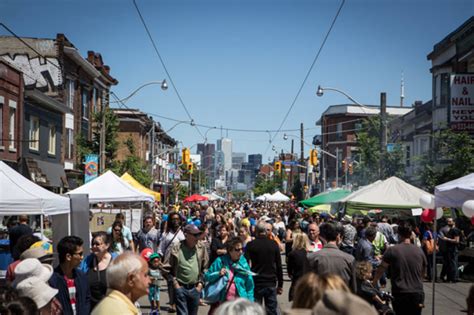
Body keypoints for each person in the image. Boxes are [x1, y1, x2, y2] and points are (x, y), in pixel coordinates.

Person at [373, 224, 427, 315]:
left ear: (398, 235)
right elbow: (423, 271)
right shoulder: (419, 250)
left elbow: (382, 268)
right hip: (417, 291)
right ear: (411, 235)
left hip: (400, 291)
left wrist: (374, 281)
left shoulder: (392, 250)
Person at [166, 224, 209, 315]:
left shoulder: (201, 248)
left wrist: (200, 285)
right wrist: (175, 284)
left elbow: (205, 268)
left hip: (195, 288)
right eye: (195, 235)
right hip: (181, 288)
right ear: (186, 235)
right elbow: (167, 268)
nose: (197, 237)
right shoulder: (176, 248)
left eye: (198, 234)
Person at [204, 236, 254, 314]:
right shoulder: (220, 261)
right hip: (222, 304)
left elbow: (250, 286)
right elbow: (207, 277)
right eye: (237, 250)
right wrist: (218, 274)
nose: (241, 252)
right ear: (230, 250)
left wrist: (250, 303)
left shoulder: (244, 263)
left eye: (242, 249)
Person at [245, 221, 283, 315]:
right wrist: (280, 284)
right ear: (266, 231)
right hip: (270, 281)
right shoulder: (274, 244)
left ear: (256, 231)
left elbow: (245, 264)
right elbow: (279, 265)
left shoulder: (251, 245)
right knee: (271, 310)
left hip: (256, 281)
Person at [307, 222, 357, 292]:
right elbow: (354, 289)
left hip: (318, 300)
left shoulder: (311, 257)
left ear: (321, 237)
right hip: (342, 300)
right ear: (338, 237)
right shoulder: (349, 259)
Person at [49, 236, 91, 315]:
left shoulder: (82, 277)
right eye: (80, 254)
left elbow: (87, 299)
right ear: (68, 257)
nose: (82, 257)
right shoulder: (52, 280)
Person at [79, 231, 117, 310]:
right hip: (91, 309)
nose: (94, 246)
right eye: (93, 244)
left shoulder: (116, 262)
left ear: (107, 245)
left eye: (97, 244)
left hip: (111, 309)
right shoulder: (87, 262)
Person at [159, 211, 185, 313]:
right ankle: (172, 303)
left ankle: (178, 302)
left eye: (177, 219)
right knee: (170, 282)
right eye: (173, 219)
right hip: (168, 262)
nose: (175, 221)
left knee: (178, 283)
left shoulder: (183, 233)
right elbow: (161, 249)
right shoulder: (166, 234)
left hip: (180, 262)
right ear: (170, 221)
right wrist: (159, 261)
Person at [287, 232, 309, 301]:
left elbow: (289, 271)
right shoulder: (310, 253)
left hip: (297, 281)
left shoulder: (292, 254)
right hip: (308, 281)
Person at [440, 217, 460, 283]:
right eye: (448, 221)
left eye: (450, 221)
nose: (448, 223)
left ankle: (454, 278)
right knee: (451, 263)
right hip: (450, 249)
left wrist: (447, 239)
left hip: (453, 249)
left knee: (453, 263)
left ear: (454, 222)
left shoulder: (455, 230)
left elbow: (457, 241)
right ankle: (451, 277)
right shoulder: (451, 230)